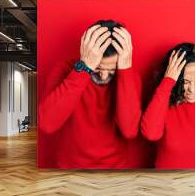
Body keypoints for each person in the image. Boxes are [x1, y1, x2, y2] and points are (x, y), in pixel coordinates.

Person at [39, 20, 142, 168]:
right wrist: (85, 67)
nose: (104, 76)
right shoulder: (64, 70)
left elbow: (129, 131)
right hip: (70, 170)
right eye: (97, 69)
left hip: (115, 171)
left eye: (112, 71)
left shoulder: (129, 77)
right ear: (87, 52)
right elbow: (47, 124)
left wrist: (125, 70)